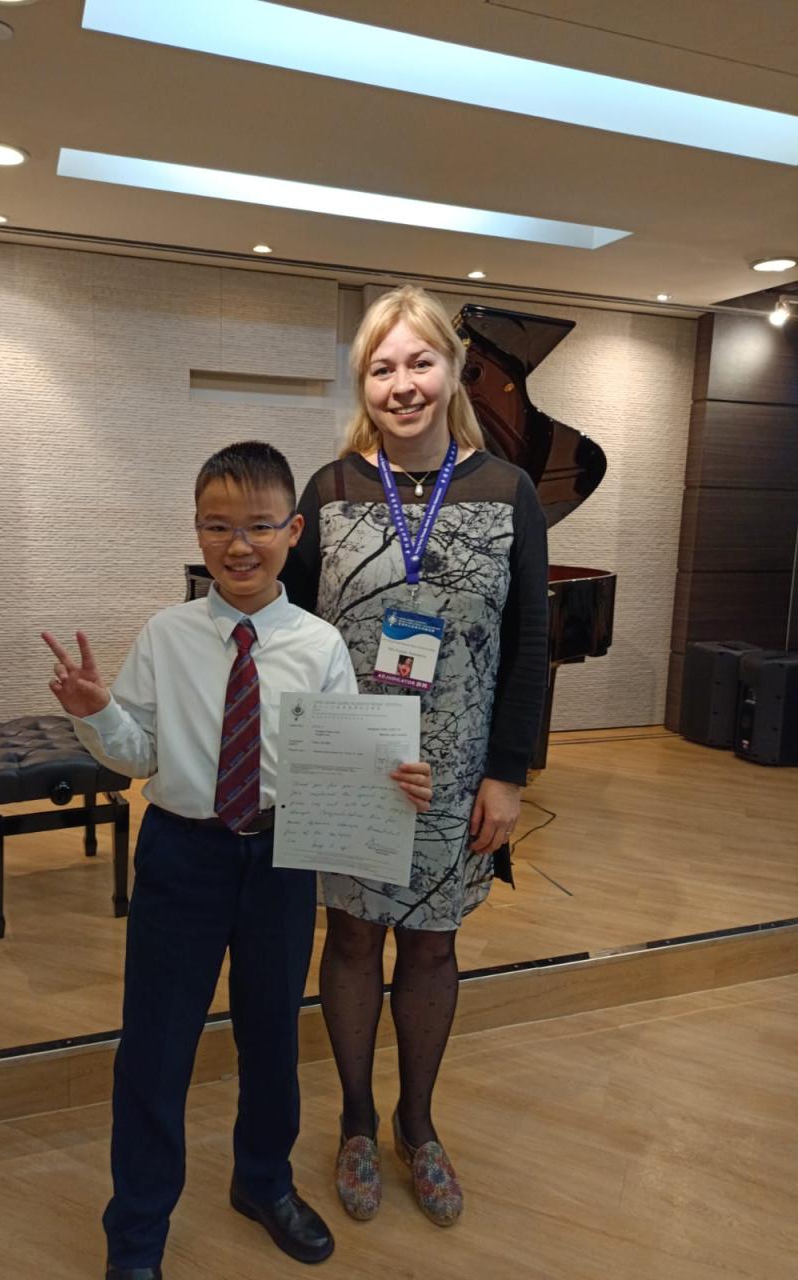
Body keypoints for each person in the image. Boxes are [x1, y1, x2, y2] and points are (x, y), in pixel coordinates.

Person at [41, 441, 433, 1280]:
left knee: (271, 1037)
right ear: (197, 532)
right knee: (155, 1050)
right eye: (217, 526)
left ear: (293, 531)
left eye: (259, 525)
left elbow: (343, 762)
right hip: (181, 857)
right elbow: (138, 756)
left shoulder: (319, 644)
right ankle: (137, 1233)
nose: (239, 544)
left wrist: (394, 781)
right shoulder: (166, 635)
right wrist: (97, 712)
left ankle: (263, 1181)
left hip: (281, 861)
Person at [284, 287, 549, 1228]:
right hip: (350, 766)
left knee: (433, 945)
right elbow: (286, 627)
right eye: (382, 367)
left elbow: (530, 645)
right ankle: (357, 1121)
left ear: (453, 370)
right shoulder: (329, 490)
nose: (402, 384)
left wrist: (507, 776)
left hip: (457, 771)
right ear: (365, 382)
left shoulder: (507, 491)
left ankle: (417, 1124)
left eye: (419, 363)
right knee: (352, 939)